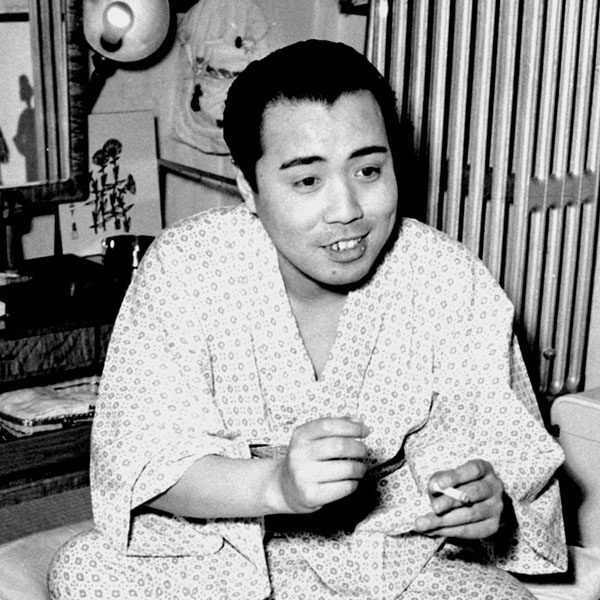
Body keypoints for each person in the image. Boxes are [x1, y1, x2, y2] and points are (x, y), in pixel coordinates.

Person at [49, 39, 567, 599]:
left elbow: (504, 454)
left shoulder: (446, 276)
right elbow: (143, 460)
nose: (347, 210)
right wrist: (277, 486)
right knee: (85, 569)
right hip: (224, 542)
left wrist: (487, 502)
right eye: (306, 181)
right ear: (248, 187)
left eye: (369, 170)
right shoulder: (187, 266)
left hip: (393, 550)